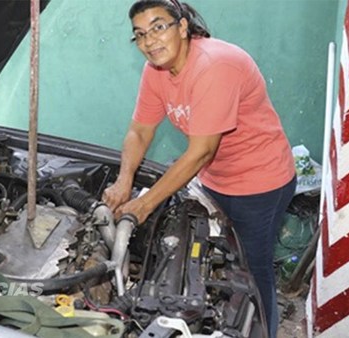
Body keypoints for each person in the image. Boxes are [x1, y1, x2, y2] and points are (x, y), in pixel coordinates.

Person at [101, 1, 296, 337]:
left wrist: (144, 205)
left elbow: (202, 151)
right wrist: (124, 180)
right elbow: (140, 130)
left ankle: (265, 330)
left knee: (253, 272)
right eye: (140, 35)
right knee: (214, 261)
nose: (150, 41)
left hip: (260, 183)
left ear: (183, 27)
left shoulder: (216, 66)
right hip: (213, 179)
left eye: (158, 27)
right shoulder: (156, 71)